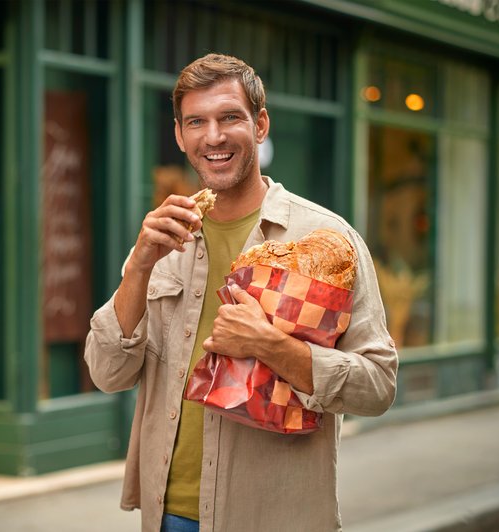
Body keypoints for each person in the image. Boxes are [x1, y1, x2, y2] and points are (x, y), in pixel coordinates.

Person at [84, 53, 398, 532]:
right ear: (179, 135)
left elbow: (378, 385)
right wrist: (139, 266)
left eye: (230, 117)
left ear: (260, 124)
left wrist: (269, 345)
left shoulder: (325, 239)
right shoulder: (161, 240)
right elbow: (108, 373)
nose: (213, 136)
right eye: (196, 121)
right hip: (167, 515)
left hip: (274, 516)